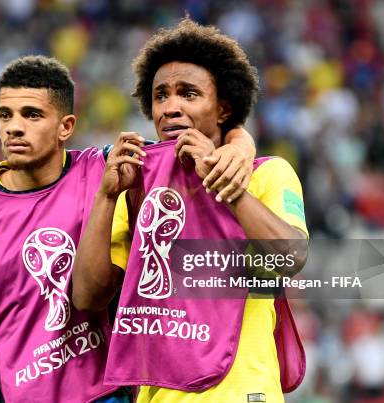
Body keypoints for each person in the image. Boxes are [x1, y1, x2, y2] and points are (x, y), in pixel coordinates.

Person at [0, 55, 256, 402]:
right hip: (16, 393)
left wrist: (240, 143)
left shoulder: (111, 169)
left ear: (66, 126)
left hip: (109, 392)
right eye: (5, 115)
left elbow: (192, 142)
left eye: (31, 115)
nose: (14, 127)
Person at [72, 18, 309, 403]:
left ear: (222, 109)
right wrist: (106, 197)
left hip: (242, 391)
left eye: (188, 93)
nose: (170, 107)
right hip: (157, 395)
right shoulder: (137, 186)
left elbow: (293, 258)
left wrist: (227, 186)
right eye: (161, 95)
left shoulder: (267, 173)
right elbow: (87, 296)